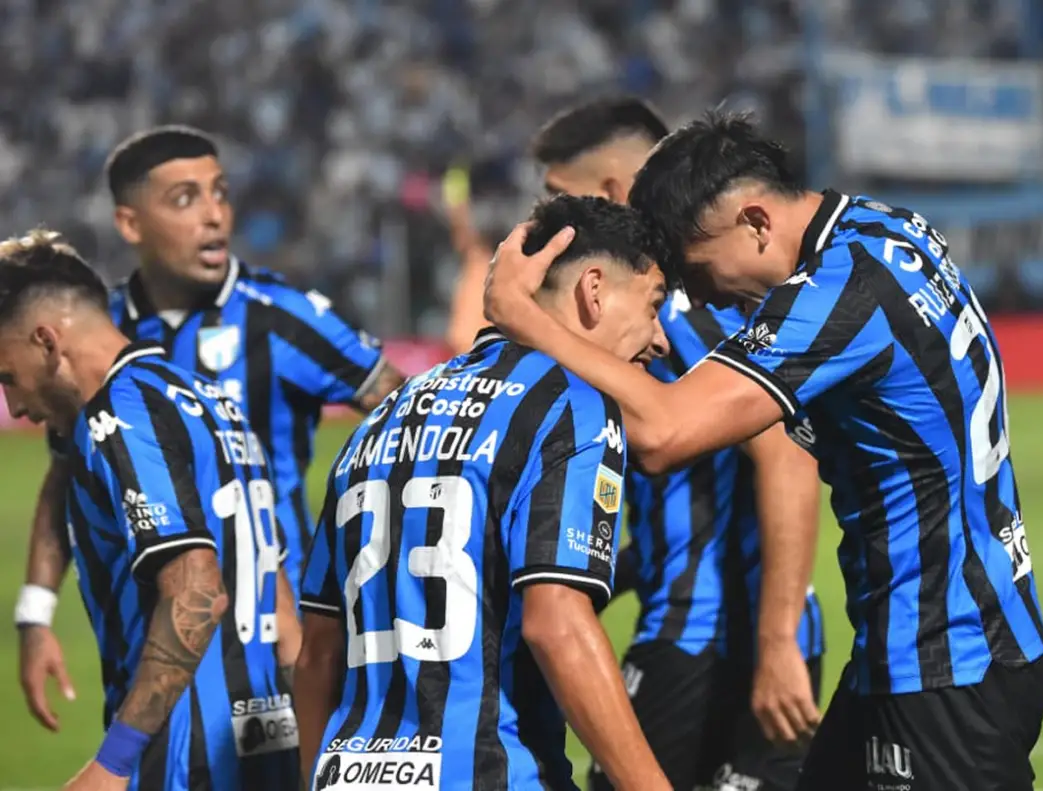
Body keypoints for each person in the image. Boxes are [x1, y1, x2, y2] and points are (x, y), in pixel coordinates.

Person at [484, 112, 1043, 791]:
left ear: (754, 221)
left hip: (943, 659)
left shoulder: (837, 294)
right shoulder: (884, 228)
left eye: (697, 271)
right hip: (949, 641)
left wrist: (524, 317)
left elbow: (663, 434)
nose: (702, 298)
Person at [15, 125, 404, 733]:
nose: (215, 215)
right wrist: (36, 613)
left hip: (286, 644)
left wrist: (360, 568)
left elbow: (406, 423)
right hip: (151, 653)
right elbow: (66, 474)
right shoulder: (91, 329)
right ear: (129, 223)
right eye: (184, 199)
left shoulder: (283, 316)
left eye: (220, 193)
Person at [294, 195, 673, 791]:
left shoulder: (380, 420)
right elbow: (557, 625)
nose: (660, 340)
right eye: (653, 306)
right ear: (594, 290)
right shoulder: (572, 405)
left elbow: (317, 651)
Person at [529, 97, 825, 791]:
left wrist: (777, 639)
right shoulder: (680, 298)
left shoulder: (672, 311)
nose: (542, 221)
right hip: (726, 630)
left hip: (708, 639)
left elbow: (786, 453)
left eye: (554, 198)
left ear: (606, 193)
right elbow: (698, 501)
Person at [0, 230, 301, 790]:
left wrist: (114, 762)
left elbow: (196, 590)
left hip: (185, 758)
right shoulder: (211, 403)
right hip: (270, 742)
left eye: (7, 378)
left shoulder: (118, 416)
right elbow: (281, 611)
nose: (14, 406)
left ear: (46, 341)